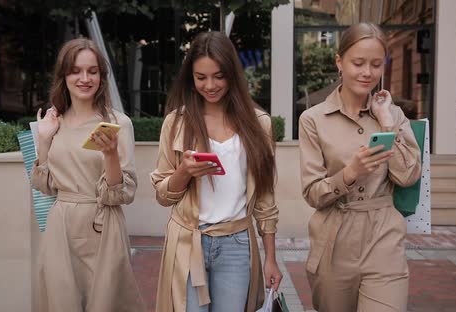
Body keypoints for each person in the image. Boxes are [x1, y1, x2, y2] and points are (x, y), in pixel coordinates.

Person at [150, 31, 283, 312]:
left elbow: (266, 199)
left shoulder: (259, 124)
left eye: (219, 76)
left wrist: (271, 257)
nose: (210, 85)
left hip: (237, 244)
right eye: (201, 77)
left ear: (233, 74)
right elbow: (163, 195)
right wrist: (184, 172)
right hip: (188, 241)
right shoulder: (176, 123)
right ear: (191, 78)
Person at [298, 22, 421, 312]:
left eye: (376, 65)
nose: (367, 72)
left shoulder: (393, 114)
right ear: (339, 62)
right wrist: (350, 173)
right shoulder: (313, 119)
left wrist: (386, 123)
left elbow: (408, 175)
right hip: (334, 243)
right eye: (358, 63)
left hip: (384, 239)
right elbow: (312, 194)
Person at [31, 38, 145, 312]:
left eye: (92, 71)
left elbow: (124, 192)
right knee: (62, 301)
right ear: (64, 76)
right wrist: (44, 140)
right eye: (76, 71)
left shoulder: (118, 123)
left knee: (106, 302)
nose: (85, 78)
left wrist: (110, 155)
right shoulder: (51, 123)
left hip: (104, 226)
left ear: (101, 77)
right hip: (62, 227)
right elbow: (44, 186)